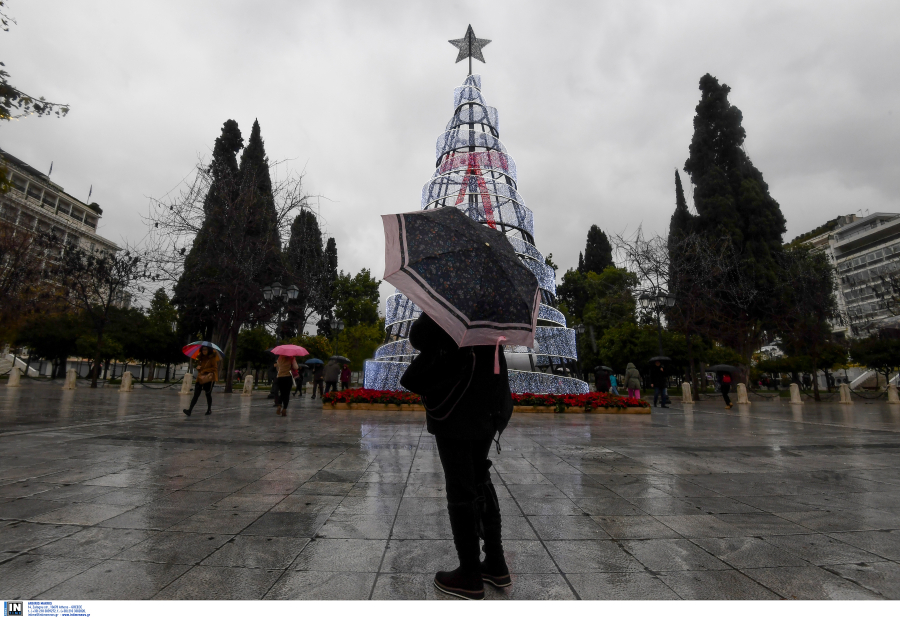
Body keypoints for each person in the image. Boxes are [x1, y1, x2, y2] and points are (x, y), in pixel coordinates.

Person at [401, 313, 513, 601]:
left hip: (458, 402)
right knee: (479, 475)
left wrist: (429, 310)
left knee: (461, 484)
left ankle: (469, 574)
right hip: (491, 397)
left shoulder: (454, 298)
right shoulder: (496, 303)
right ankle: (495, 562)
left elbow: (420, 337)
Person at [183, 346, 218, 416]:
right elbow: (200, 368)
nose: (204, 351)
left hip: (208, 378)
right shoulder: (200, 358)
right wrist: (198, 368)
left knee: (208, 394)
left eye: (205, 349)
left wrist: (204, 370)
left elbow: (214, 368)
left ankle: (209, 409)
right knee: (196, 394)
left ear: (209, 350)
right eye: (202, 350)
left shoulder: (212, 358)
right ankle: (189, 410)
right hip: (200, 378)